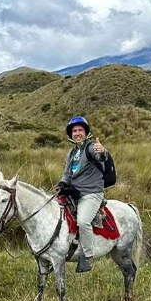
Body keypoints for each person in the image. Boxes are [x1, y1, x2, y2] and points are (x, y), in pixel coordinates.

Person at [57, 116, 109, 273]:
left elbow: (101, 156)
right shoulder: (72, 153)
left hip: (91, 193)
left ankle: (88, 256)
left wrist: (103, 152)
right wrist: (62, 184)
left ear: (86, 133)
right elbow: (67, 173)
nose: (77, 133)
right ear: (71, 134)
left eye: (80, 130)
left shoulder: (91, 147)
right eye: (74, 131)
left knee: (83, 221)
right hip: (75, 193)